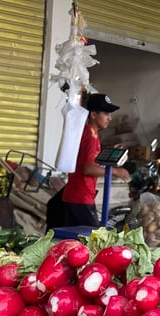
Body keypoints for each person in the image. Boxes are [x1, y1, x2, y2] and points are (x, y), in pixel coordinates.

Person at [47, 92, 131, 230]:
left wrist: (108, 153)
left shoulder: (89, 133)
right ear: (93, 115)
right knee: (91, 237)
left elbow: (88, 160)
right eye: (106, 114)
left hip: (76, 195)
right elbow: (88, 169)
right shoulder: (90, 136)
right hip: (80, 197)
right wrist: (116, 172)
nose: (109, 118)